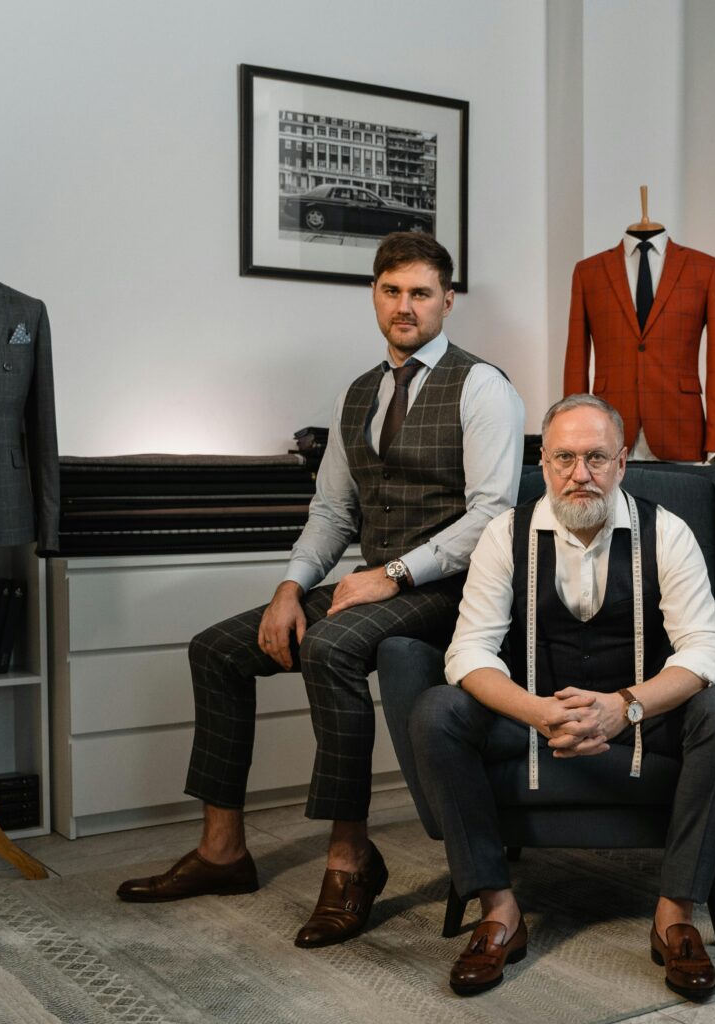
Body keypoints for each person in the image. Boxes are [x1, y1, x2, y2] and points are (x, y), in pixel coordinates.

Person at [116, 233, 525, 951]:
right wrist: (288, 588)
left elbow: (493, 514)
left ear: (448, 300)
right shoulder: (359, 392)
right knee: (214, 650)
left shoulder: (483, 386)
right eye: (392, 291)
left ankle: (351, 859)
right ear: (374, 294)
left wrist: (393, 574)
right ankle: (222, 851)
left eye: (421, 293)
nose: (405, 306)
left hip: (456, 590)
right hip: (373, 584)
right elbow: (334, 512)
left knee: (329, 648)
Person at [411, 395, 715, 999]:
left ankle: (675, 914)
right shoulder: (503, 535)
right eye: (564, 457)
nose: (579, 473)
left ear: (622, 462)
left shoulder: (667, 531)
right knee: (437, 711)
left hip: (641, 715)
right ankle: (498, 908)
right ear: (543, 463)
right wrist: (537, 712)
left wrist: (626, 706)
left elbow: (706, 649)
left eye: (596, 457)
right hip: (532, 715)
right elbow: (469, 652)